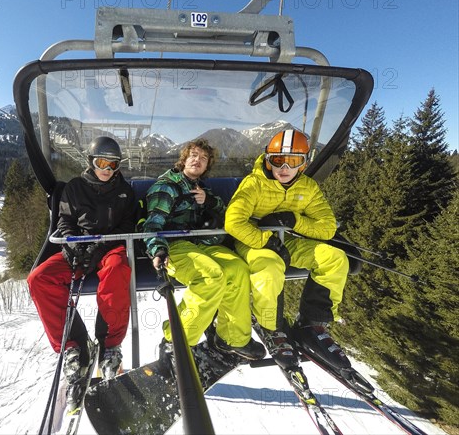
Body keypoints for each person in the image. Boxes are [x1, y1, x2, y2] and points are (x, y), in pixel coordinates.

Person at [225, 128, 351, 372]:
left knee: (334, 259)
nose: (284, 168)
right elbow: (233, 222)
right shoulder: (254, 184)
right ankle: (272, 327)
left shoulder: (308, 187)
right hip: (251, 239)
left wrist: (296, 221)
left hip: (287, 240)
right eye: (277, 160)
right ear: (268, 159)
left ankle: (312, 323)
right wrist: (264, 240)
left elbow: (327, 228)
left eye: (293, 161)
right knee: (270, 268)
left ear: (303, 164)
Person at [143, 138, 265, 369]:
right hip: (175, 244)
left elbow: (227, 213)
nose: (197, 160)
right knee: (211, 276)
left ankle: (232, 337)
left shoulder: (200, 188)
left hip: (202, 242)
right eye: (193, 155)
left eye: (203, 158)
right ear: (184, 159)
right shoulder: (166, 187)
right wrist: (157, 249)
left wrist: (208, 200)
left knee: (238, 269)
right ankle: (175, 342)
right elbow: (153, 224)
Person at [28, 136, 136, 388]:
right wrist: (72, 246)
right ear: (90, 161)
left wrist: (102, 246)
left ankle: (110, 345)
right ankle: (74, 344)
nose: (107, 170)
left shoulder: (125, 192)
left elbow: (128, 225)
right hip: (79, 249)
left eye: (113, 165)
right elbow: (64, 222)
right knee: (40, 278)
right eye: (102, 163)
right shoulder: (74, 188)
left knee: (117, 270)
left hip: (109, 247)